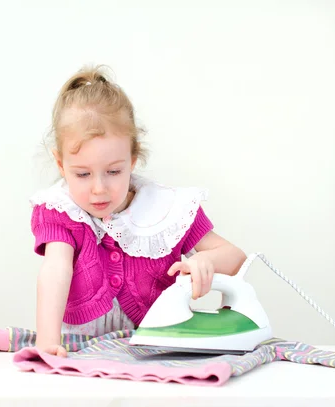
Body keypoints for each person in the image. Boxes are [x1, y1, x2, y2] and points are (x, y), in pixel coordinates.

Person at [29, 65, 247, 357]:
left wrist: (205, 261)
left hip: (158, 352)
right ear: (60, 164)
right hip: (83, 354)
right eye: (82, 174)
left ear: (132, 159)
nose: (99, 189)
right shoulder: (61, 212)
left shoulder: (168, 210)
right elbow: (56, 269)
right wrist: (46, 342)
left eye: (113, 171)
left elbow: (235, 259)